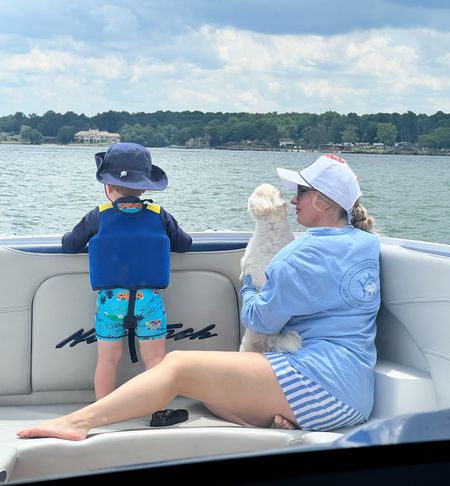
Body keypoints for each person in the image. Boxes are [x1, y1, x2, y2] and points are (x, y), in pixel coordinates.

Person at [16, 153, 380, 440]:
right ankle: (274, 422)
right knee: (209, 395)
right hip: (355, 397)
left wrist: (250, 283)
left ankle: (78, 422)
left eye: (300, 193)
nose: (293, 200)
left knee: (177, 367)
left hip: (318, 385)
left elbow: (261, 320)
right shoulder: (366, 243)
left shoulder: (301, 255)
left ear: (320, 200)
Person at [60, 142, 192, 400]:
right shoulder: (159, 214)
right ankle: (158, 411)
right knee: (155, 360)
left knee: (108, 360)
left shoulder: (97, 216)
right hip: (149, 302)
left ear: (108, 186)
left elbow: (70, 245)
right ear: (145, 186)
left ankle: (103, 412)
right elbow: (184, 244)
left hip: (111, 303)